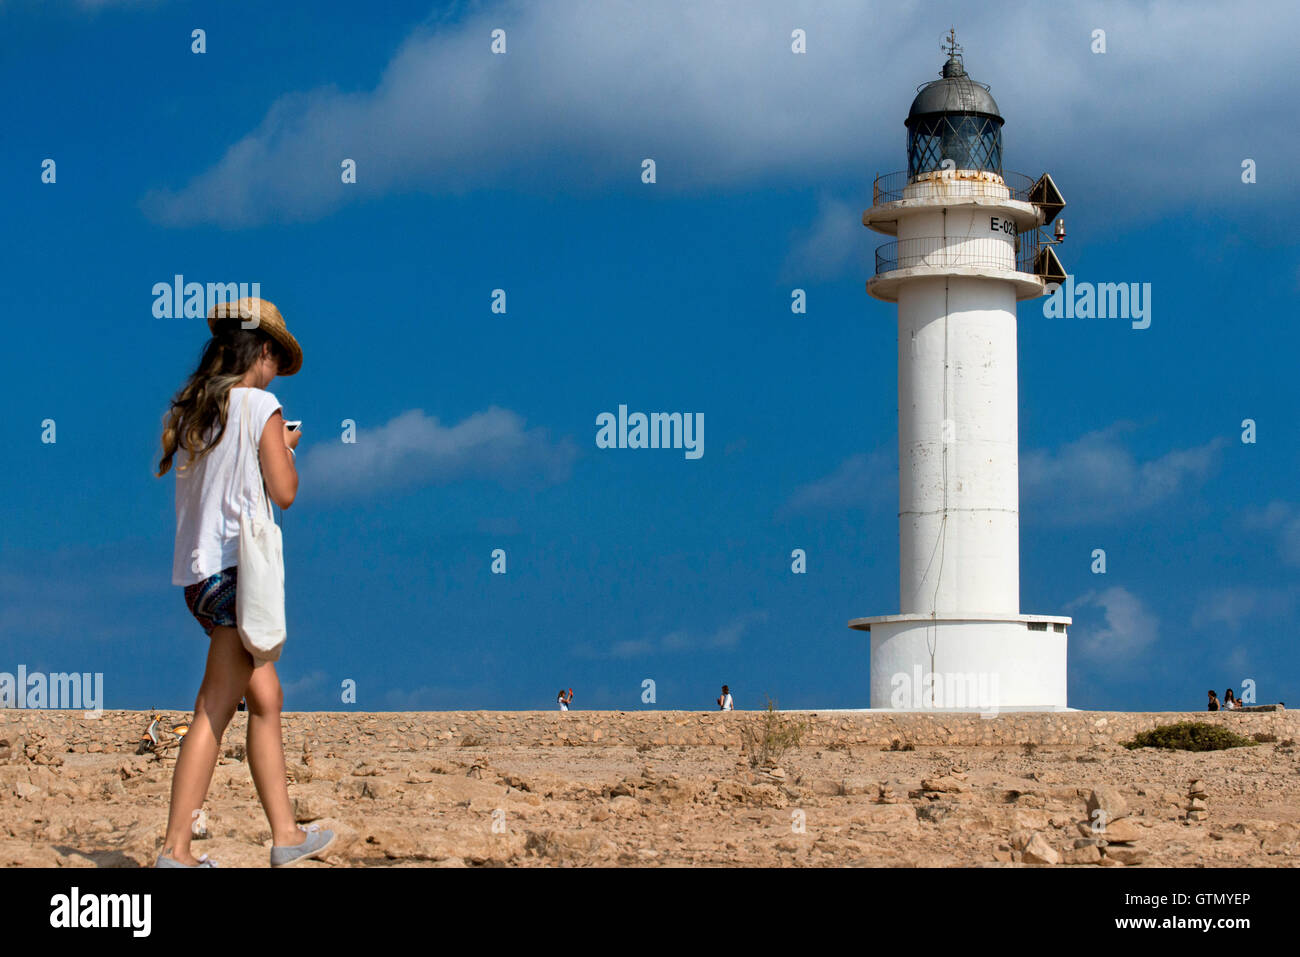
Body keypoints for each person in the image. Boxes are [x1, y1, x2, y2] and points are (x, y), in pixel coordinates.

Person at [154, 297, 332, 869]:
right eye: (277, 356)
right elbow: (285, 493)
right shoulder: (261, 406)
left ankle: (284, 837)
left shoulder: (195, 414)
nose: (277, 368)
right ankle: (176, 852)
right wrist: (283, 445)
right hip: (236, 575)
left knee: (267, 697)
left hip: (199, 579)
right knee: (212, 708)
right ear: (261, 352)